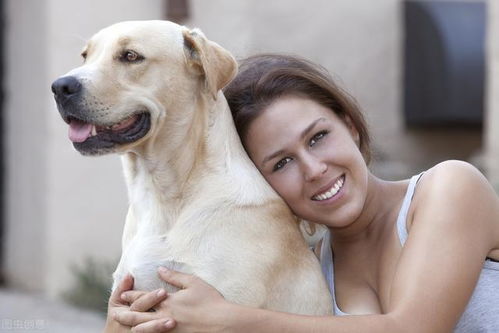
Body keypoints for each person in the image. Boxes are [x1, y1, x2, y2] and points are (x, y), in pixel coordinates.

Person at [104, 54, 499, 332]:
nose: (313, 170)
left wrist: (229, 320)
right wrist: (123, 318)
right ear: (261, 184)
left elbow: (411, 329)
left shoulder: (449, 187)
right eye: (281, 163)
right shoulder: (304, 273)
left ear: (351, 126)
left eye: (319, 137)